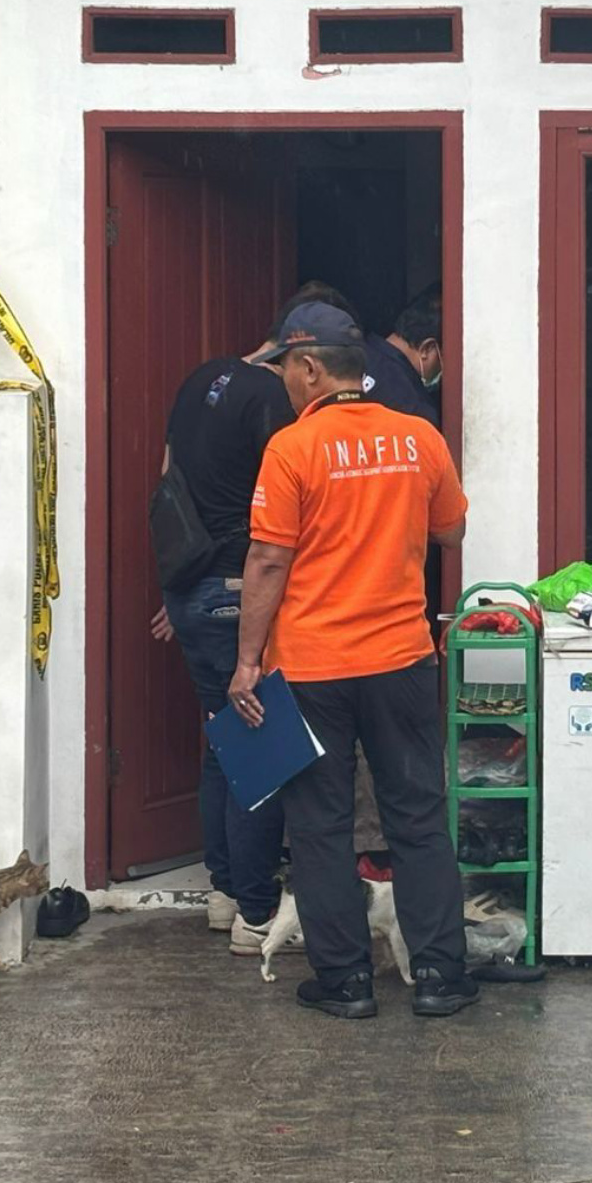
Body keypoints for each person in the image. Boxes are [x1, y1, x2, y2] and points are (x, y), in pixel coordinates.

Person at [228, 301, 475, 1019]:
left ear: (309, 368)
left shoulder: (292, 449)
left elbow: (270, 558)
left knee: (321, 825)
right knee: (419, 817)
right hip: (400, 660)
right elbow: (452, 529)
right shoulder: (417, 435)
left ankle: (345, 982)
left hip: (313, 668)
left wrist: (247, 663)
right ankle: (438, 975)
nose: (281, 382)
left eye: (283, 369)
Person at [149, 284, 355, 955]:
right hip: (240, 588)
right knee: (262, 754)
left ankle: (226, 891)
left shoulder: (201, 378)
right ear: (302, 360)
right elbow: (284, 511)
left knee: (226, 744)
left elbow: (169, 480)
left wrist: (181, 581)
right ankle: (258, 916)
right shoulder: (272, 403)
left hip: (193, 588)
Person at [361, 285, 443, 425]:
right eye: (441, 362)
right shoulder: (414, 407)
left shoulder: (351, 356)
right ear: (427, 349)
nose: (442, 372)